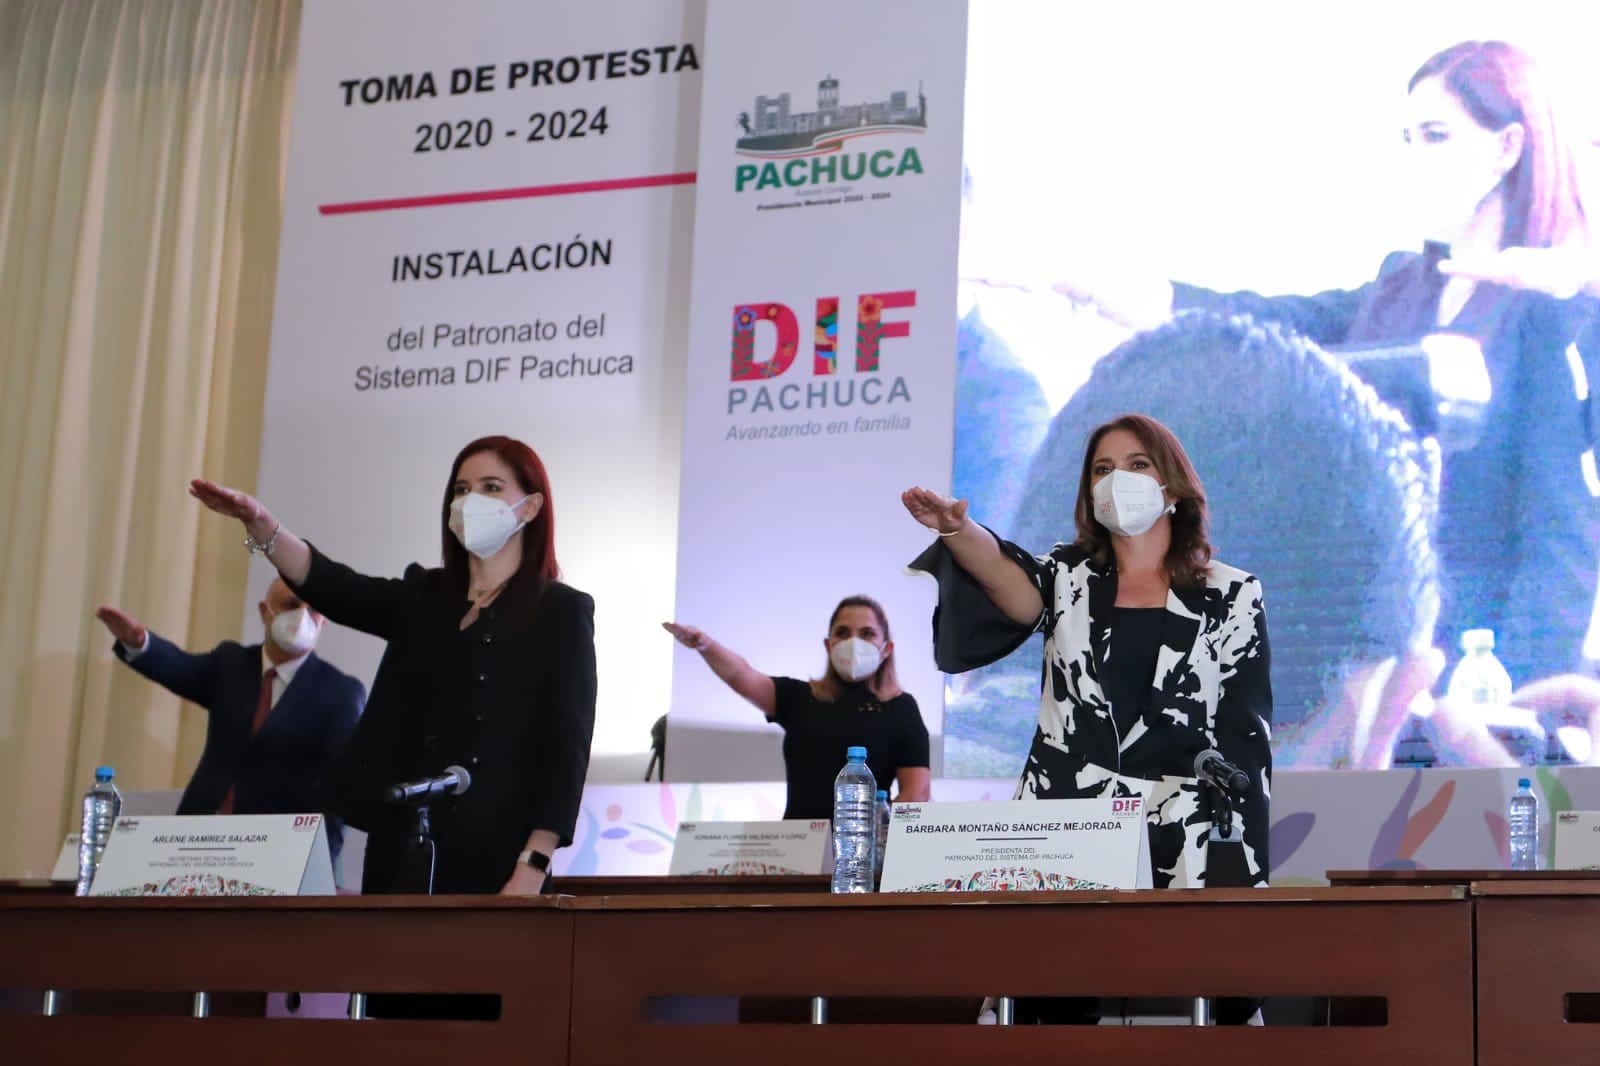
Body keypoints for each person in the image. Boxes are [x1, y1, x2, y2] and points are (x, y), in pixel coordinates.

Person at [1012, 41, 1600, 701]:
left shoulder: (1552, 314)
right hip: (1366, 663)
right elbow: (1271, 324)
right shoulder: (1398, 287)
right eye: (1408, 138)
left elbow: (1562, 537)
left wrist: (1516, 703)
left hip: (1476, 674)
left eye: (1436, 135)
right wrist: (1109, 287)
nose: (1416, 157)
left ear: (1507, 147)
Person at [188, 434, 596, 898]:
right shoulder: (424, 595)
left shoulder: (561, 612)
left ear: (530, 506)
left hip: (500, 857)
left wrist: (534, 863)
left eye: (491, 487)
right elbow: (335, 586)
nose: (471, 501)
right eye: (461, 490)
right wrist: (263, 526)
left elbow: (567, 751)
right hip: (402, 846)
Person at [96, 580, 364, 858]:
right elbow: (181, 668)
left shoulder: (340, 692)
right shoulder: (231, 664)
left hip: (276, 854)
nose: (302, 617)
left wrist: (321, 868)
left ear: (323, 620)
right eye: (291, 605)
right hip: (196, 839)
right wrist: (140, 643)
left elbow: (338, 794)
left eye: (313, 609)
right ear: (265, 612)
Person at [663, 595, 931, 818]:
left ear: (886, 648)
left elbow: (916, 794)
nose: (853, 642)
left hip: (862, 853)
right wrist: (705, 645)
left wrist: (879, 840)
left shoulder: (901, 708)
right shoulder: (799, 697)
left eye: (867, 634)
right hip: (798, 848)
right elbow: (741, 675)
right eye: (842, 633)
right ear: (828, 645)